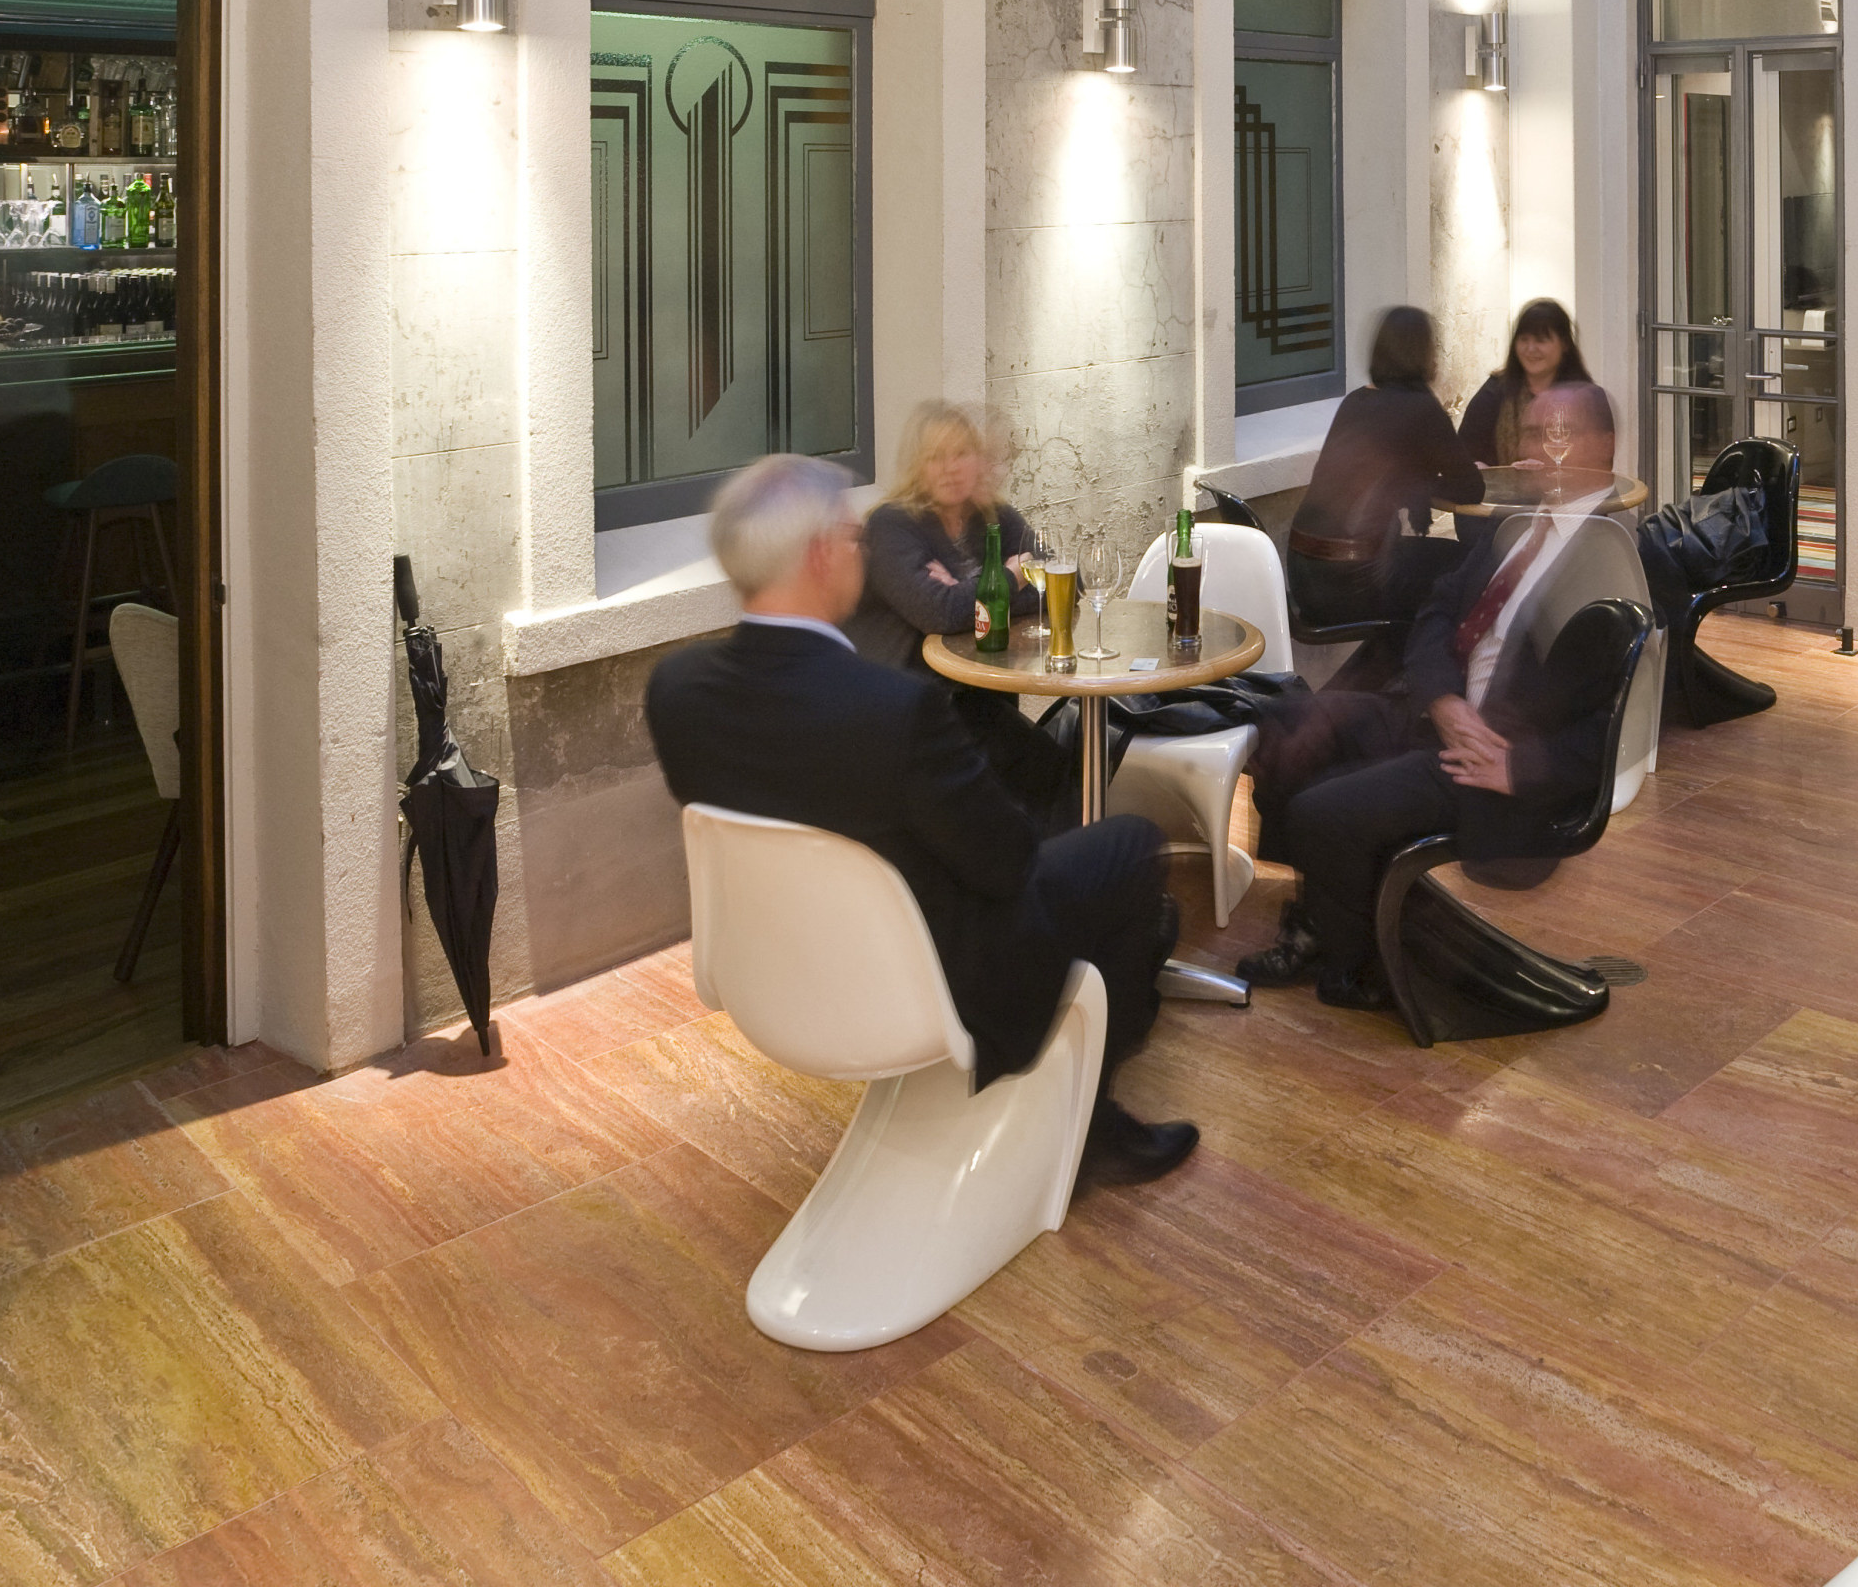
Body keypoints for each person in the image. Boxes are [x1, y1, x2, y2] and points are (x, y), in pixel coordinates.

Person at [646, 454, 1196, 1184]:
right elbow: (1006, 865)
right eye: (851, 537)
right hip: (926, 978)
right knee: (1128, 846)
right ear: (819, 556)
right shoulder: (891, 708)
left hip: (774, 972)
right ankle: (1090, 1128)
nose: (861, 552)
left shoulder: (675, 691)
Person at [1238, 382, 1629, 1007]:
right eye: (1531, 434)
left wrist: (1522, 767)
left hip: (1487, 759)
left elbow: (1628, 717)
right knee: (1283, 722)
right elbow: (1438, 612)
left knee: (1322, 811)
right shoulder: (1522, 529)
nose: (1542, 451)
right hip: (1442, 719)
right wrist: (1442, 700)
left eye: (1562, 435)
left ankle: (1365, 967)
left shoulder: (1613, 558)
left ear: (1605, 446)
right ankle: (1325, 922)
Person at [850, 400, 1076, 826]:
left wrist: (971, 594)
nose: (949, 468)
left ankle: (1044, 873)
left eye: (960, 454)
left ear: (978, 461)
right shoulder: (892, 526)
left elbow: (1065, 585)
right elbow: (939, 612)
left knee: (1056, 765)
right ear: (917, 466)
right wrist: (1010, 577)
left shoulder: (993, 517)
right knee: (1048, 767)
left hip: (979, 698)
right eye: (934, 457)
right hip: (914, 709)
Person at [1289, 305, 1484, 664]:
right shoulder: (1421, 408)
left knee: (1437, 563)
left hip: (1303, 576)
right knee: (1478, 565)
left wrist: (1414, 482)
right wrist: (1424, 483)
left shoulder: (1356, 400)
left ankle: (1389, 677)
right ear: (1423, 354)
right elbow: (1471, 488)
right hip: (1356, 580)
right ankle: (1430, 680)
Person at [1456, 298, 1615, 472]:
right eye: (1524, 340)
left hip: (1571, 498)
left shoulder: (1586, 397)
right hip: (1502, 497)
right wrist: (1500, 473)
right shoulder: (1495, 391)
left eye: (1541, 340)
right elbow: (1463, 455)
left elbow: (1599, 464)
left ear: (1564, 344)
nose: (1530, 349)